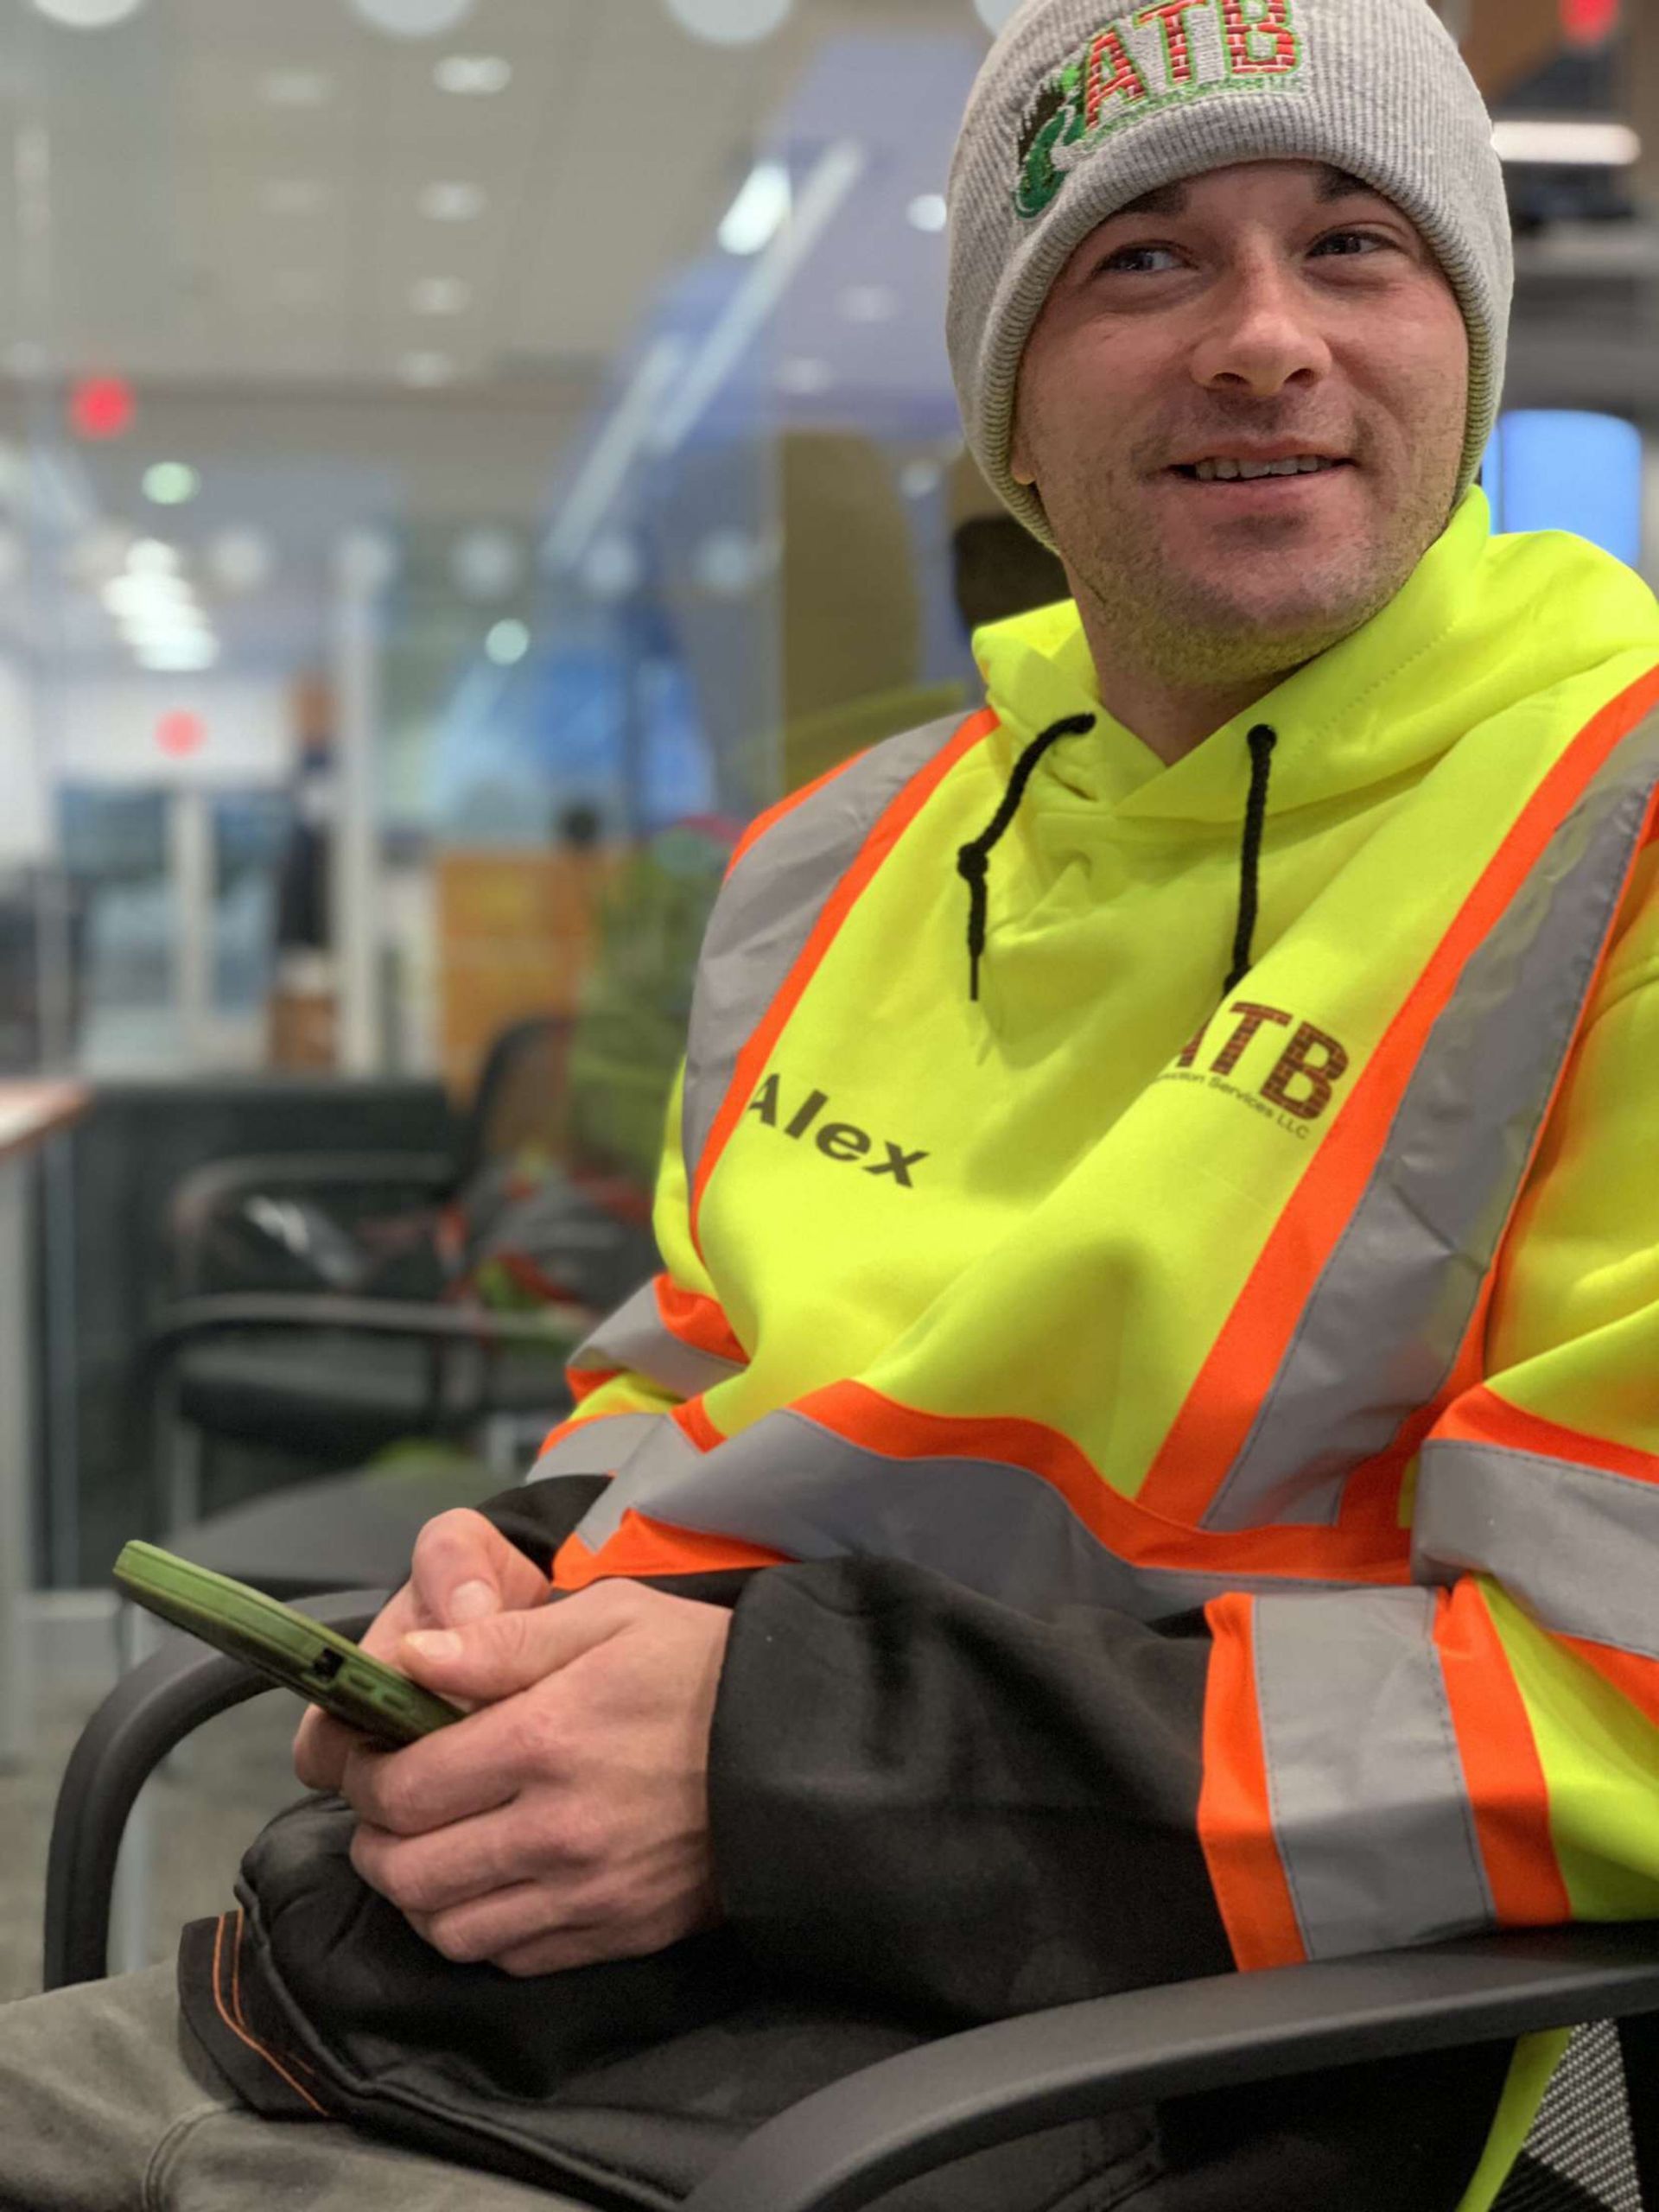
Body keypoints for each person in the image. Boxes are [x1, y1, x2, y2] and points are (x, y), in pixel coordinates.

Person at [8, 0, 1659, 2205]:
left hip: (1106, 2078)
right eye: (1143, 261)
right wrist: (516, 1573)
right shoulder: (848, 851)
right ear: (1011, 419)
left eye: (1356, 246)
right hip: (574, 1998)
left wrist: (774, 1769)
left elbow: (1619, 1707)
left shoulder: (1617, 831)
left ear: (1465, 356)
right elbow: (689, 1361)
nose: (1267, 337)